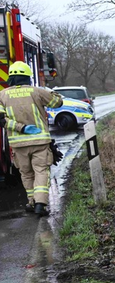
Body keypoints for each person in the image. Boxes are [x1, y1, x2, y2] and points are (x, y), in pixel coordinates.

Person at [0, 61, 63, 216]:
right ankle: (41, 204)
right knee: (41, 171)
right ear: (28, 77)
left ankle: (31, 201)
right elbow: (57, 103)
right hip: (40, 141)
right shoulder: (36, 91)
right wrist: (51, 92)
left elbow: (1, 119)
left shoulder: (2, 95)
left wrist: (20, 128)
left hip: (18, 144)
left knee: (26, 173)